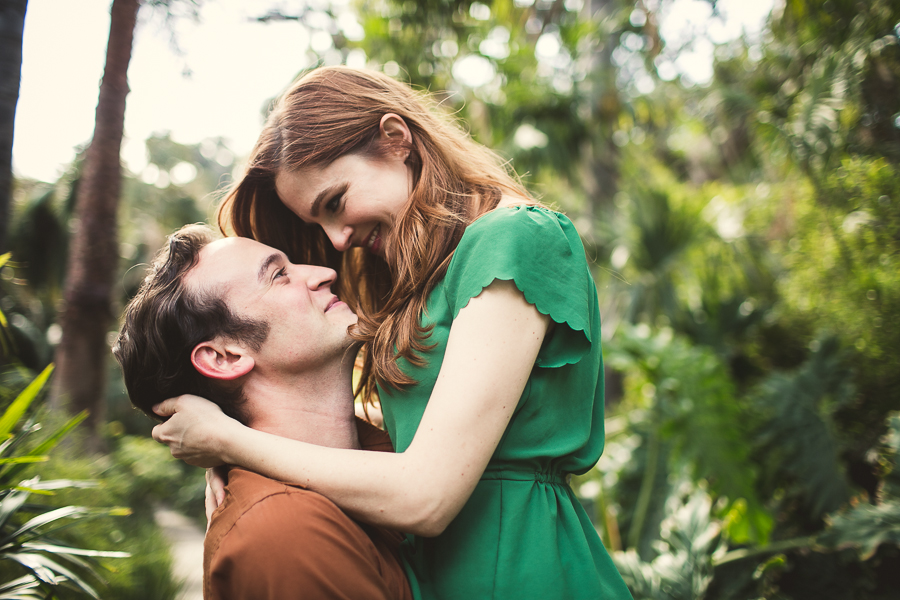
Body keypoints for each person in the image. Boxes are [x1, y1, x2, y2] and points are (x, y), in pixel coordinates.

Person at [151, 66, 632, 599]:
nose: (335, 242)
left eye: (334, 203)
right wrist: (237, 445)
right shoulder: (428, 276)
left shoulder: (514, 239)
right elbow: (412, 431)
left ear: (395, 139)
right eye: (317, 225)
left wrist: (232, 441)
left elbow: (425, 495)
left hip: (521, 568)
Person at [113, 224, 412, 600]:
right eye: (279, 275)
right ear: (225, 357)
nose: (325, 273)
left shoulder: (389, 450)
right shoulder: (285, 534)